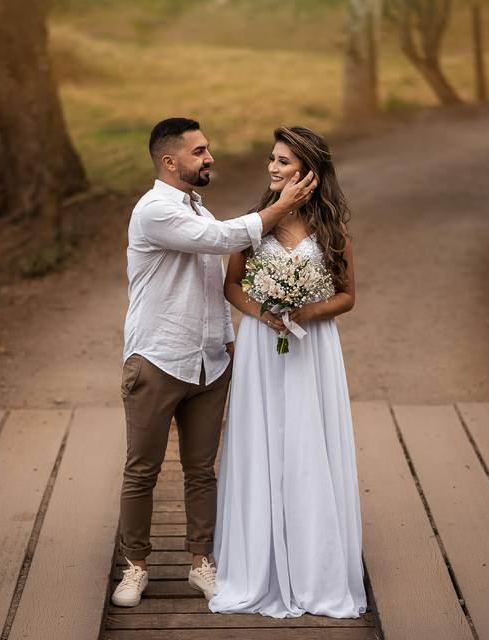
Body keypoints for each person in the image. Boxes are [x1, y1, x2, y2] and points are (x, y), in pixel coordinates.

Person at [111, 117, 318, 608]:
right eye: (199, 151)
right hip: (158, 358)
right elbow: (224, 241)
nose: (209, 158)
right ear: (170, 161)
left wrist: (227, 339)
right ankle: (134, 567)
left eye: (207, 150)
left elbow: (210, 281)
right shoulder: (155, 211)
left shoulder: (195, 207)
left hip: (208, 362)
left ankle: (201, 562)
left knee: (202, 470)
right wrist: (281, 207)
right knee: (142, 470)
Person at [209, 126, 367, 618]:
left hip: (312, 347)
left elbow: (347, 296)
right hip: (262, 342)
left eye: (283, 161)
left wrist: (304, 312)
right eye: (272, 160)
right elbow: (231, 285)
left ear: (308, 172)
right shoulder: (253, 226)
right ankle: (260, 564)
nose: (273, 168)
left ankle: (315, 564)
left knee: (307, 441)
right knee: (263, 440)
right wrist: (265, 312)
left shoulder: (331, 232)